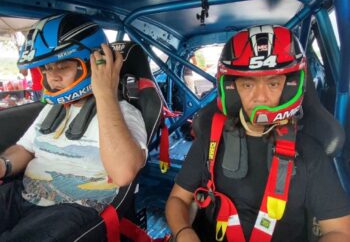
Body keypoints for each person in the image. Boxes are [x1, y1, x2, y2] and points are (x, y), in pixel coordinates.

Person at [166, 25, 350, 242]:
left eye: (273, 83)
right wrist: (184, 233)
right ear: (233, 90)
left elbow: (340, 231)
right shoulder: (212, 138)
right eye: (247, 84)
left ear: (290, 87)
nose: (260, 97)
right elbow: (177, 199)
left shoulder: (309, 153)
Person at [0, 13, 147, 241]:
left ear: (93, 64)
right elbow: (25, 149)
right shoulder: (53, 108)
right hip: (21, 194)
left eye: (63, 66)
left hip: (72, 208)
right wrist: (4, 165)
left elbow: (123, 173)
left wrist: (104, 92)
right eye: (47, 68)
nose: (52, 77)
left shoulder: (125, 113)